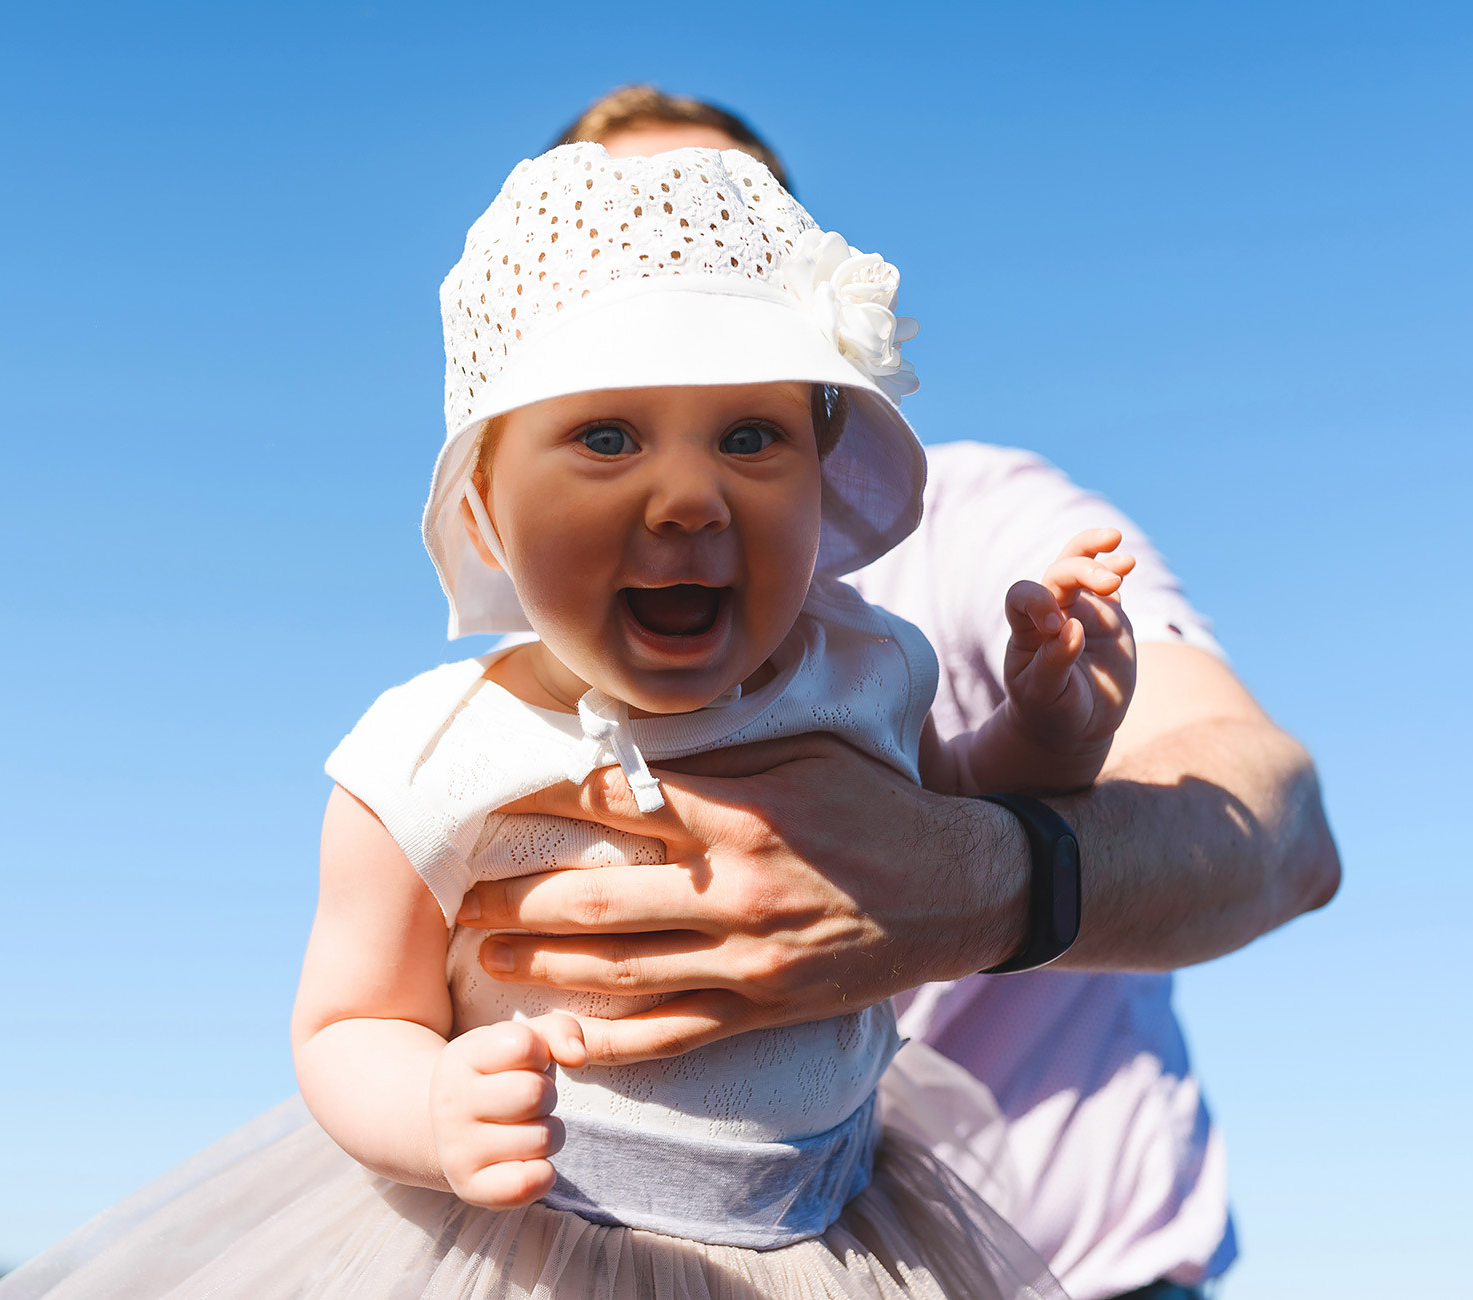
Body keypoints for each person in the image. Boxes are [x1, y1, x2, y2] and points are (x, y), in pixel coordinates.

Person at [0, 142, 1133, 1299]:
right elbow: (344, 1022)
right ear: (483, 512)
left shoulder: (868, 668)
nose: (688, 497)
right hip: (535, 1245)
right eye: (606, 436)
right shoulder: (435, 755)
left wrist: (1052, 725)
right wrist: (432, 1111)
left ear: (820, 475)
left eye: (748, 436)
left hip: (826, 1236)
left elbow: (950, 817)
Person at [436, 87, 1345, 1300]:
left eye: (716, 237)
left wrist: (970, 868)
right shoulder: (533, 667)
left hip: (1067, 1272)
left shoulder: (973, 527)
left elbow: (1278, 829)